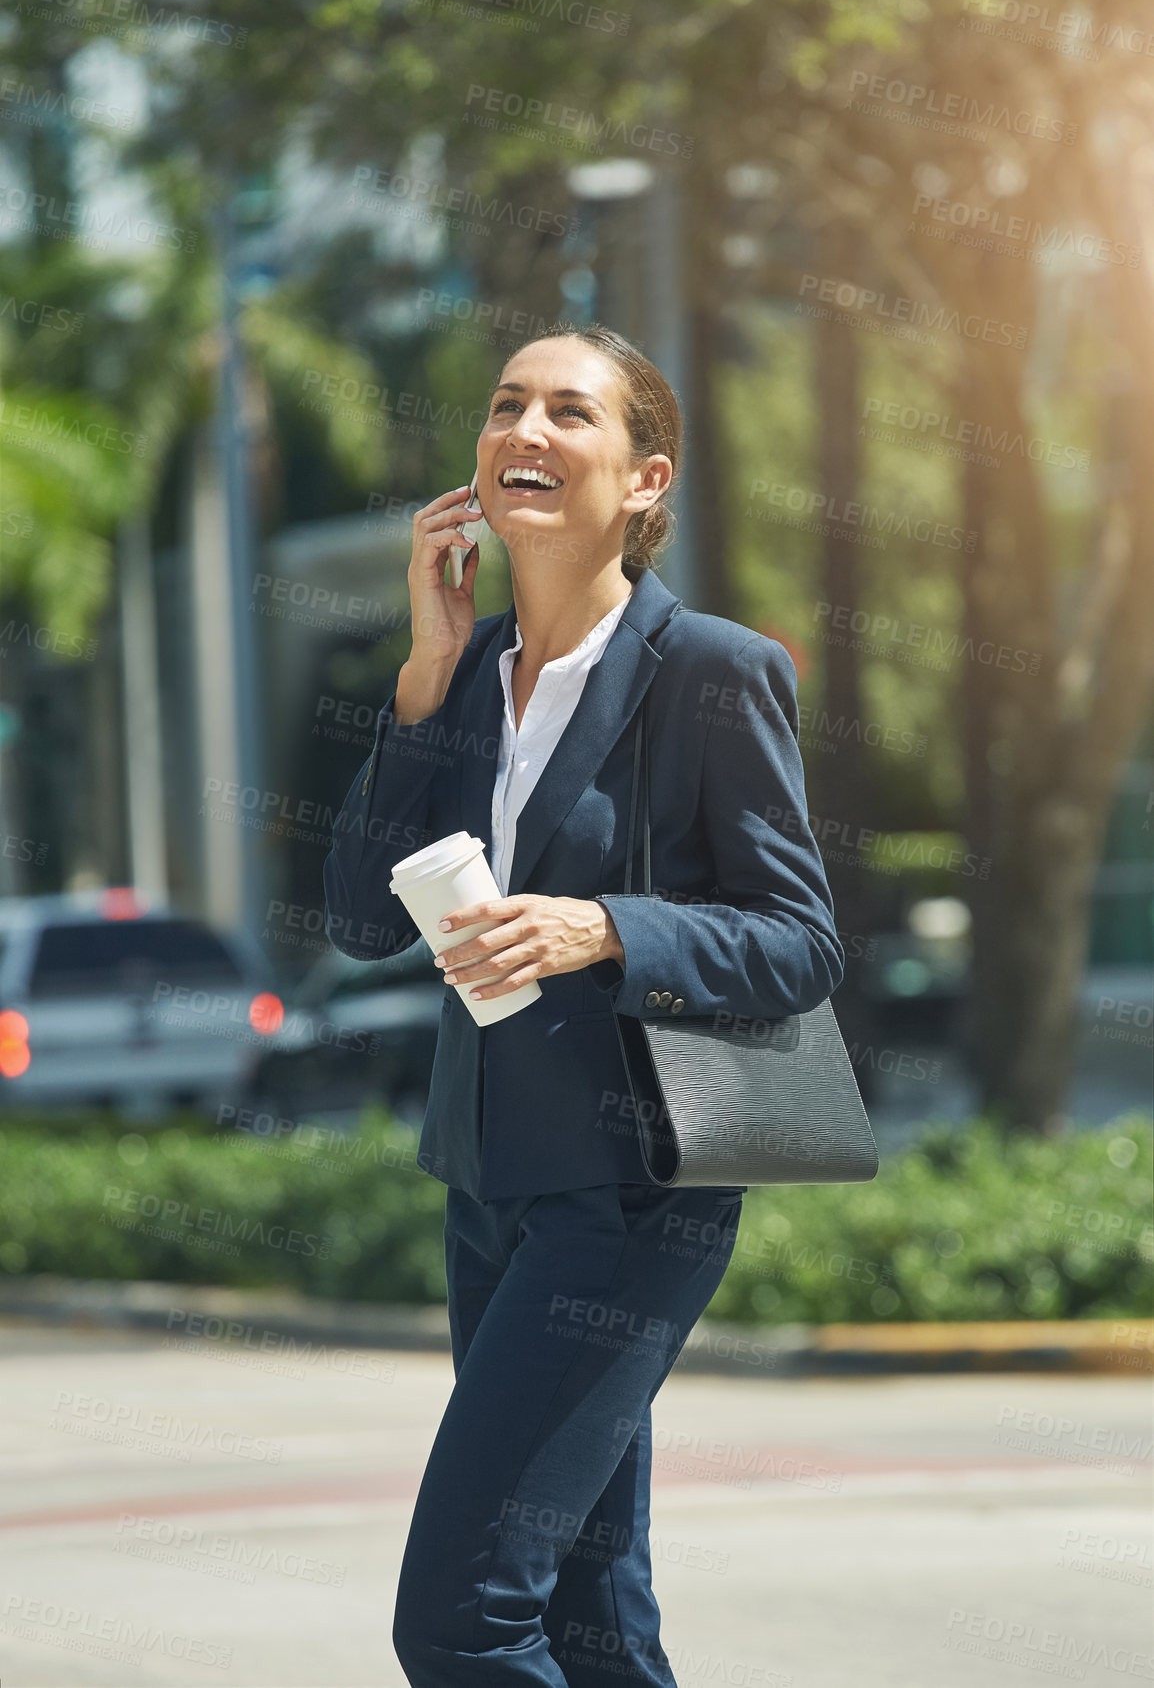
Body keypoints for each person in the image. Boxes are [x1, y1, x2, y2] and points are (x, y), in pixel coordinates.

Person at [322, 322, 843, 1686]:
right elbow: (362, 921)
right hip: (486, 1188)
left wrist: (601, 924)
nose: (523, 432)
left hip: (628, 1196)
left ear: (644, 478)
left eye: (568, 411)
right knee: (589, 1618)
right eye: (505, 407)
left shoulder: (711, 672)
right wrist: (425, 677)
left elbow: (797, 944)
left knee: (462, 1616)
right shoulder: (465, 677)